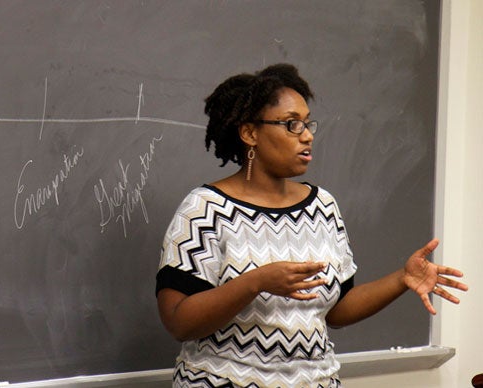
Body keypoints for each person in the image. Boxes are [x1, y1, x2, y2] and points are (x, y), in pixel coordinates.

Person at [155, 64, 468, 388]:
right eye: (291, 125)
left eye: (307, 123)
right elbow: (179, 321)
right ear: (250, 133)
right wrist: (256, 282)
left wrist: (402, 279)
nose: (307, 135)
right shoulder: (204, 209)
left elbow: (335, 311)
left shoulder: (323, 206)